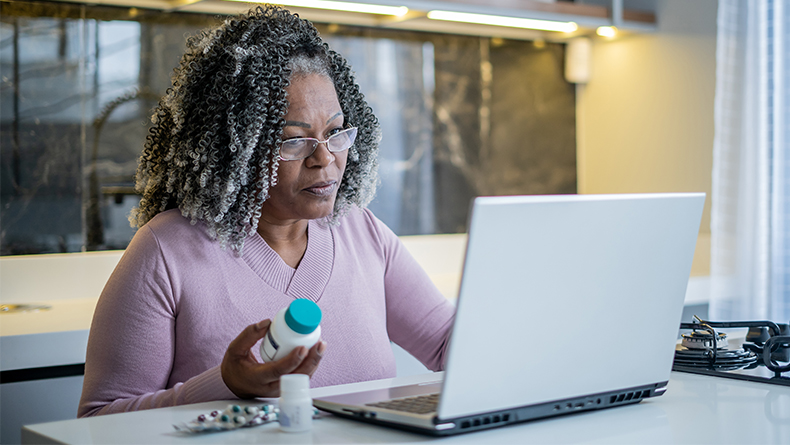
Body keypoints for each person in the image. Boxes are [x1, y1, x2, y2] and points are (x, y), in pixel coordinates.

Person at [78, 5, 455, 417]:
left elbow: (446, 342)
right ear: (235, 150)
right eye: (295, 141)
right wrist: (224, 385)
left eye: (335, 132)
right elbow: (97, 420)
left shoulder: (362, 232)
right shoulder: (165, 252)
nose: (325, 158)